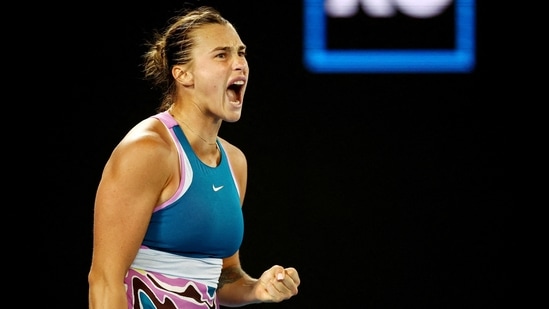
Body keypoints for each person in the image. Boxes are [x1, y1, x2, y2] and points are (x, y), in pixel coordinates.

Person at [87, 5, 300, 308]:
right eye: (222, 55)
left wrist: (257, 288)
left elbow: (223, 277)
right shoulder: (148, 151)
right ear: (183, 74)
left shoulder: (235, 162)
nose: (239, 64)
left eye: (241, 53)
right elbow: (104, 281)